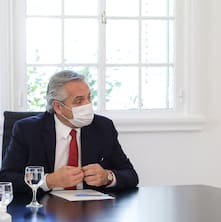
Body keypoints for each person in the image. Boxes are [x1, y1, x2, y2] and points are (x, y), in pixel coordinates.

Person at [0, 70, 139, 194]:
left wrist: (107, 177)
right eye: (79, 101)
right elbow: (7, 178)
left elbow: (130, 175)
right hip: (44, 211)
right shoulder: (27, 130)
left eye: (89, 98)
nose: (87, 105)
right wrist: (49, 180)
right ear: (58, 107)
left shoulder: (103, 127)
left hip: (91, 211)